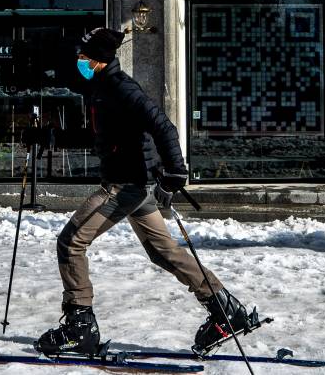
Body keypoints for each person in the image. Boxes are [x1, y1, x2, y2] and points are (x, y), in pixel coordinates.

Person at [35, 27, 260, 357]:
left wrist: (176, 172)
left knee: (71, 242)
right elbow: (101, 137)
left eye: (84, 58)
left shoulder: (122, 89)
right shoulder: (102, 88)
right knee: (164, 252)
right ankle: (228, 311)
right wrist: (49, 138)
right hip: (134, 187)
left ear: (99, 60)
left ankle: (79, 325)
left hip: (123, 186)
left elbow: (163, 126)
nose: (79, 61)